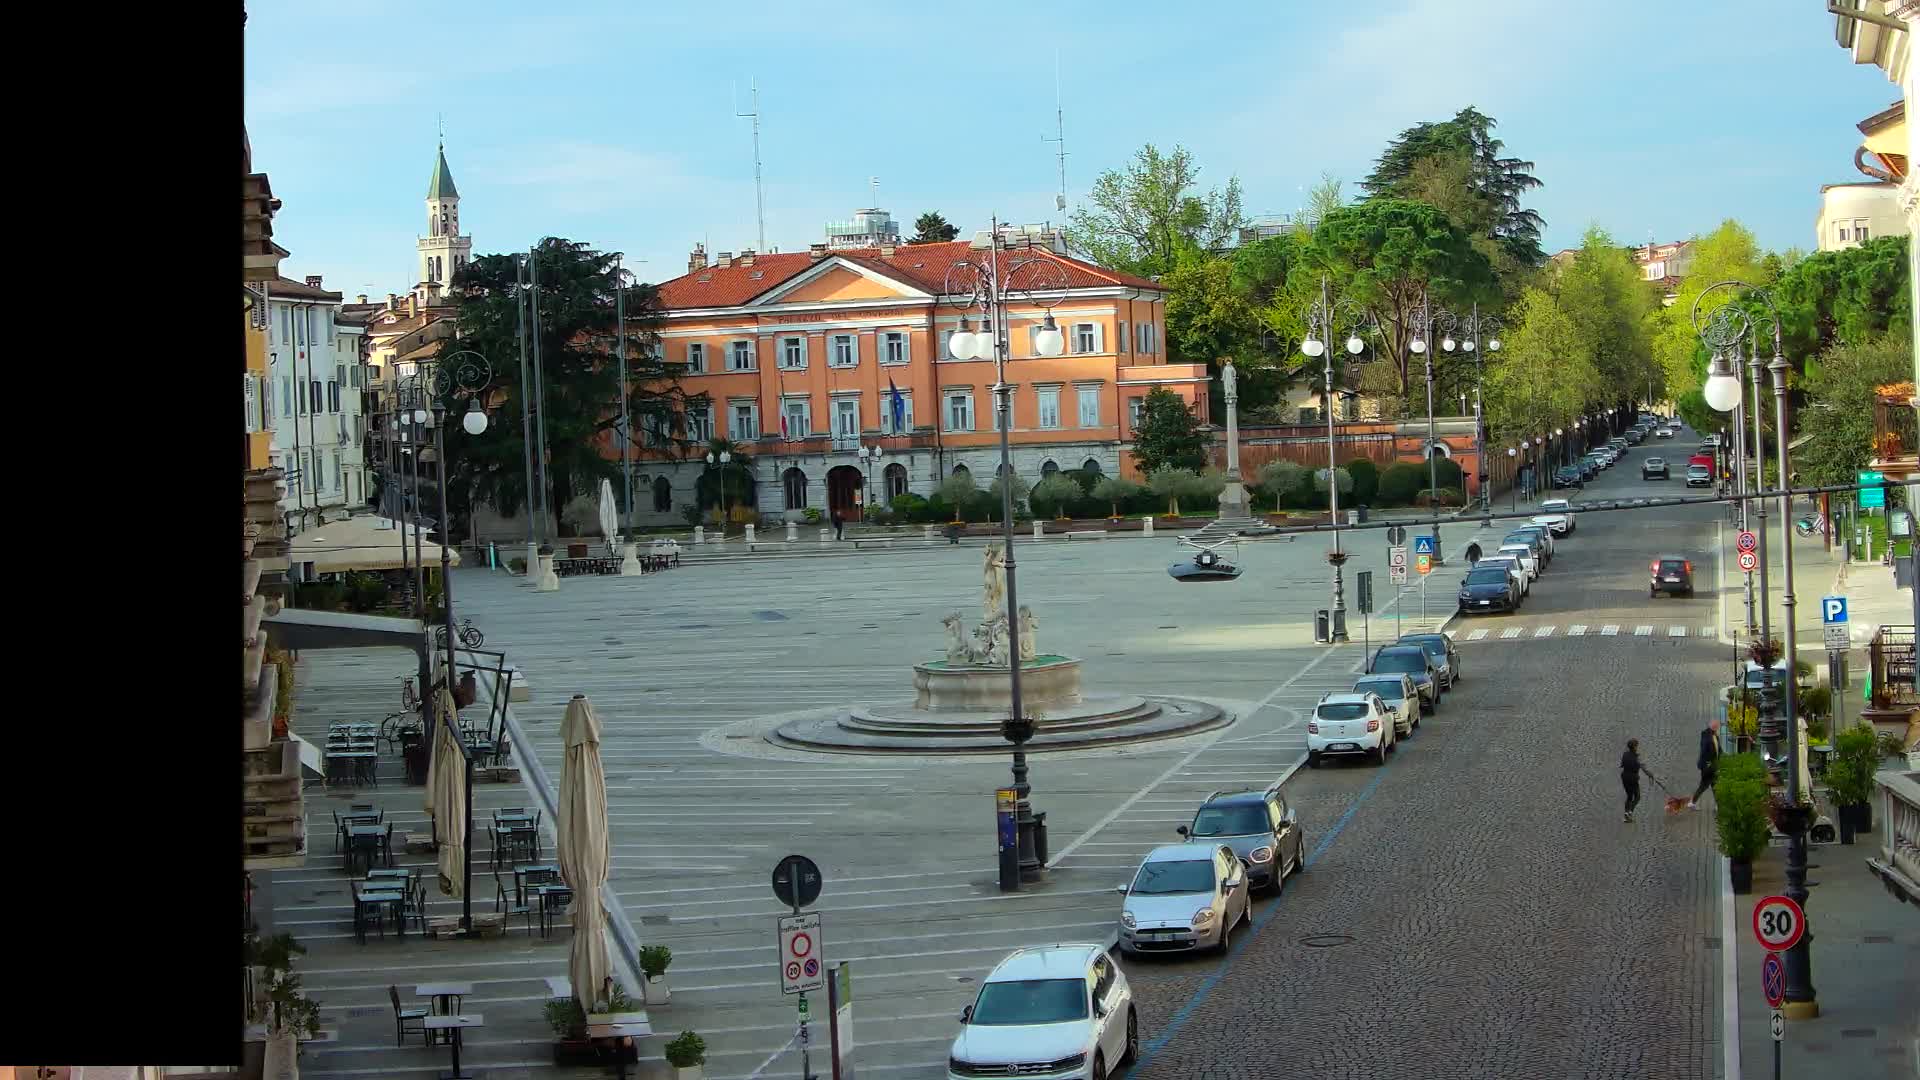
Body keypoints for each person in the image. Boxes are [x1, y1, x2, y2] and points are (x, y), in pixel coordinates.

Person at [1689, 718, 1720, 810]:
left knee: (1712, 785)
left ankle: (1693, 802)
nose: (1717, 727)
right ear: (1712, 726)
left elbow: (1718, 749)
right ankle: (1692, 802)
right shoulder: (1706, 735)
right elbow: (1703, 752)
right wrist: (1706, 764)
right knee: (1706, 785)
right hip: (1707, 767)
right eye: (1716, 725)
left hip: (1713, 766)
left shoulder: (1715, 736)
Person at [1620, 738, 1654, 823]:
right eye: (1637, 746)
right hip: (1633, 778)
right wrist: (1651, 775)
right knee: (1637, 797)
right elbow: (1644, 769)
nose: (1637, 747)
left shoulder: (1625, 754)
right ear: (1635, 747)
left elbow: (1623, 764)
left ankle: (1626, 815)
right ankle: (1630, 812)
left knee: (1629, 796)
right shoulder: (1637, 758)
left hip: (1624, 777)